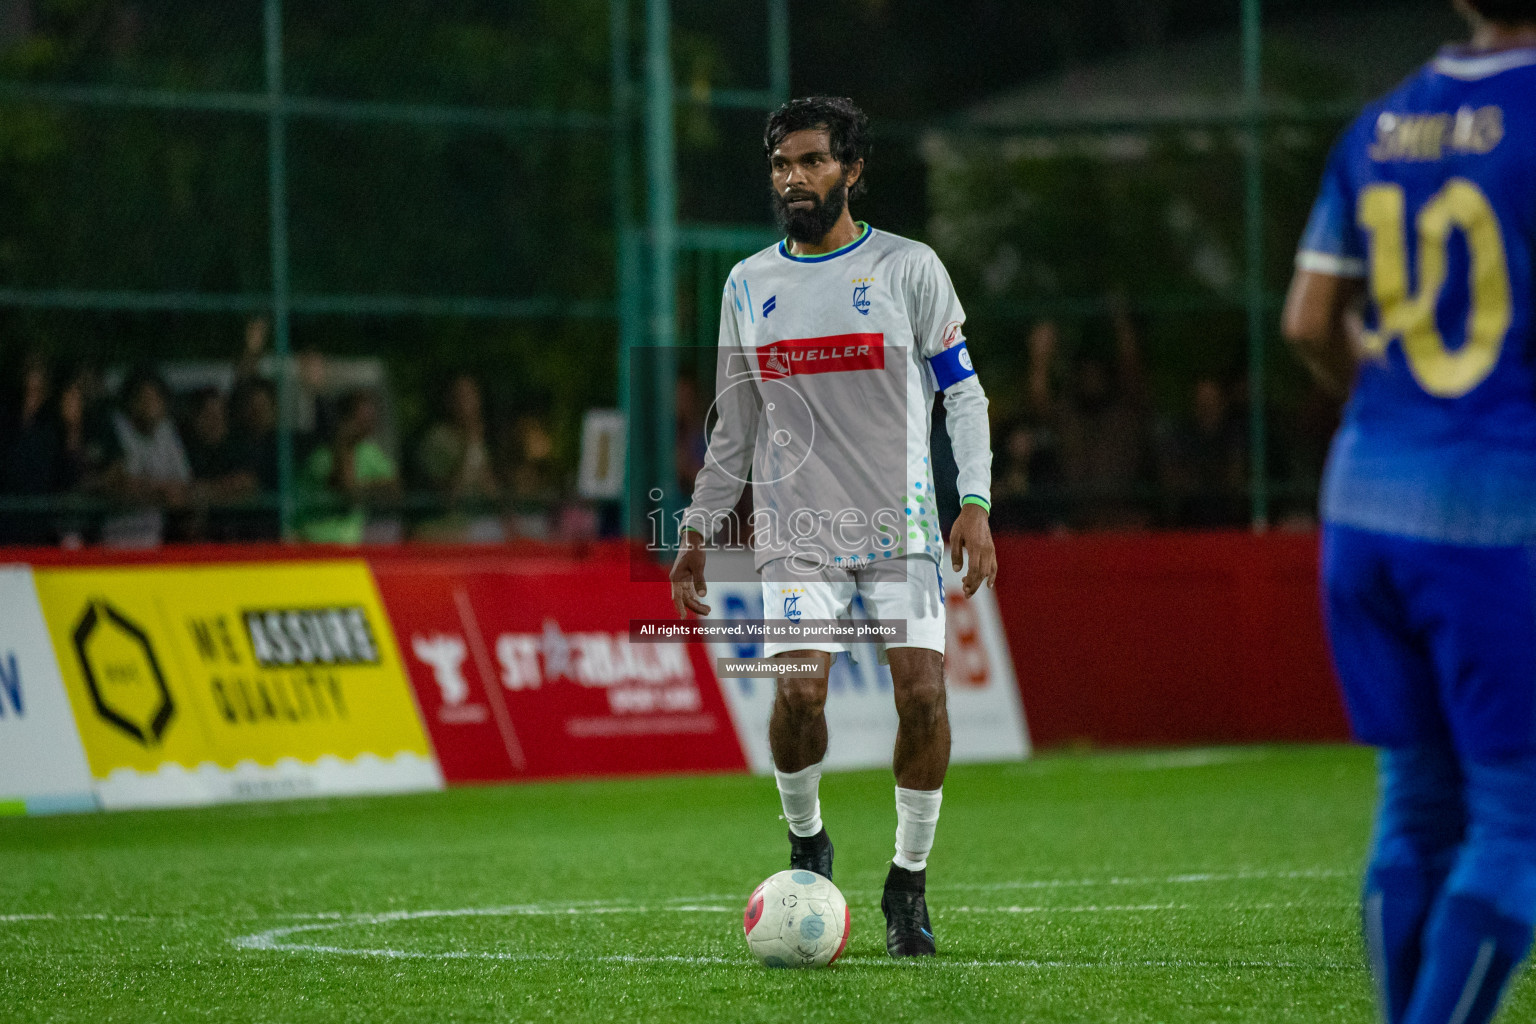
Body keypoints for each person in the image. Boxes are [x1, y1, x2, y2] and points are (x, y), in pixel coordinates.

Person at [669, 96, 996, 958]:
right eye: (782, 165)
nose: (794, 178)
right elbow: (733, 429)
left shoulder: (910, 269)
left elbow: (962, 392)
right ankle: (808, 841)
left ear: (851, 170)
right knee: (798, 692)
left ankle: (907, 885)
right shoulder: (748, 285)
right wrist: (699, 530)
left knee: (924, 695)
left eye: (812, 162)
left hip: (903, 528)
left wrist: (978, 501)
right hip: (797, 530)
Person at [1282, 3, 1536, 1021]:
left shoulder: (1381, 124)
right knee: (1516, 820)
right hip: (1492, 510)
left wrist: (1399, 405)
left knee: (1417, 803)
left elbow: (1308, 317)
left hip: (1363, 498)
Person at [299, 389, 399, 544]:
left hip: (351, 542)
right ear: (344, 420)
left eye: (371, 419)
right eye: (362, 420)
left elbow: (393, 487)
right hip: (316, 541)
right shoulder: (321, 456)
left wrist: (362, 488)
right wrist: (343, 444)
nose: (368, 426)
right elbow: (346, 490)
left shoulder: (369, 451)